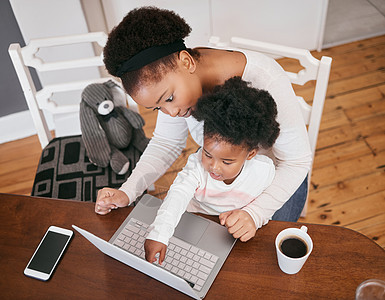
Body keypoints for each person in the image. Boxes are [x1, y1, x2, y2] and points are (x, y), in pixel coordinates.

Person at [96, 7, 311, 228]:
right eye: (157, 108)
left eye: (169, 98)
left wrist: (255, 213)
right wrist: (127, 192)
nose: (171, 113)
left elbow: (296, 162)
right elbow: (166, 142)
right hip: (219, 180)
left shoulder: (264, 78)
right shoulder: (173, 80)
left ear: (186, 62)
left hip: (274, 183)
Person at [144, 77, 278, 264]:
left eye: (227, 161)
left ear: (250, 154)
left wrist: (253, 217)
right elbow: (178, 194)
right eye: (207, 154)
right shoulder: (197, 165)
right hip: (193, 221)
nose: (214, 167)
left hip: (232, 236)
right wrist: (159, 234)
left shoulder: (264, 172)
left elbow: (267, 206)